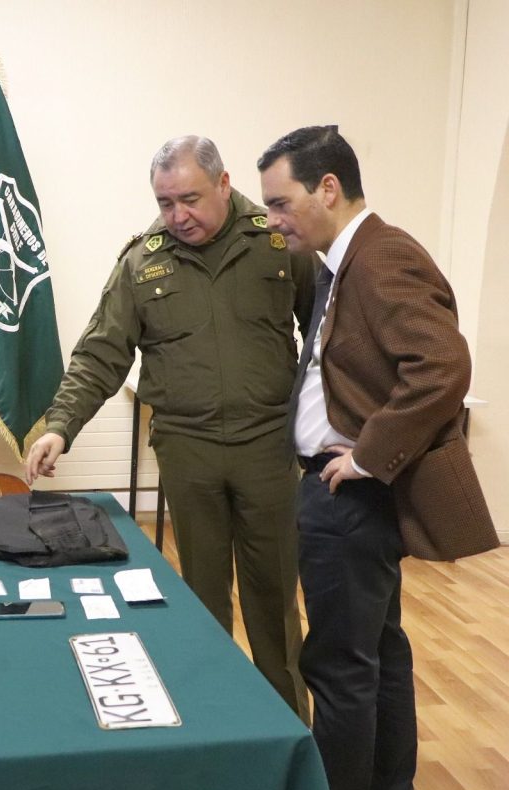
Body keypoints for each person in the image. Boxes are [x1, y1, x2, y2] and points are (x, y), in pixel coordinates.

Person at [26, 135, 314, 721]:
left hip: (267, 447)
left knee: (274, 600)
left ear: (224, 183)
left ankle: (285, 731)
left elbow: (323, 337)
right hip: (188, 450)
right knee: (201, 601)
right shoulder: (143, 261)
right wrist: (60, 426)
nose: (177, 215)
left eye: (190, 199)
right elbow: (101, 354)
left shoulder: (280, 243)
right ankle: (213, 722)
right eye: (165, 202)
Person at [257, 125, 491, 790]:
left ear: (328, 188)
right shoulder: (344, 261)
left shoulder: (382, 256)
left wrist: (366, 454)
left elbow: (442, 365)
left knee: (339, 669)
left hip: (348, 497)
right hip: (344, 494)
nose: (272, 220)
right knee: (376, 659)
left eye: (280, 203)